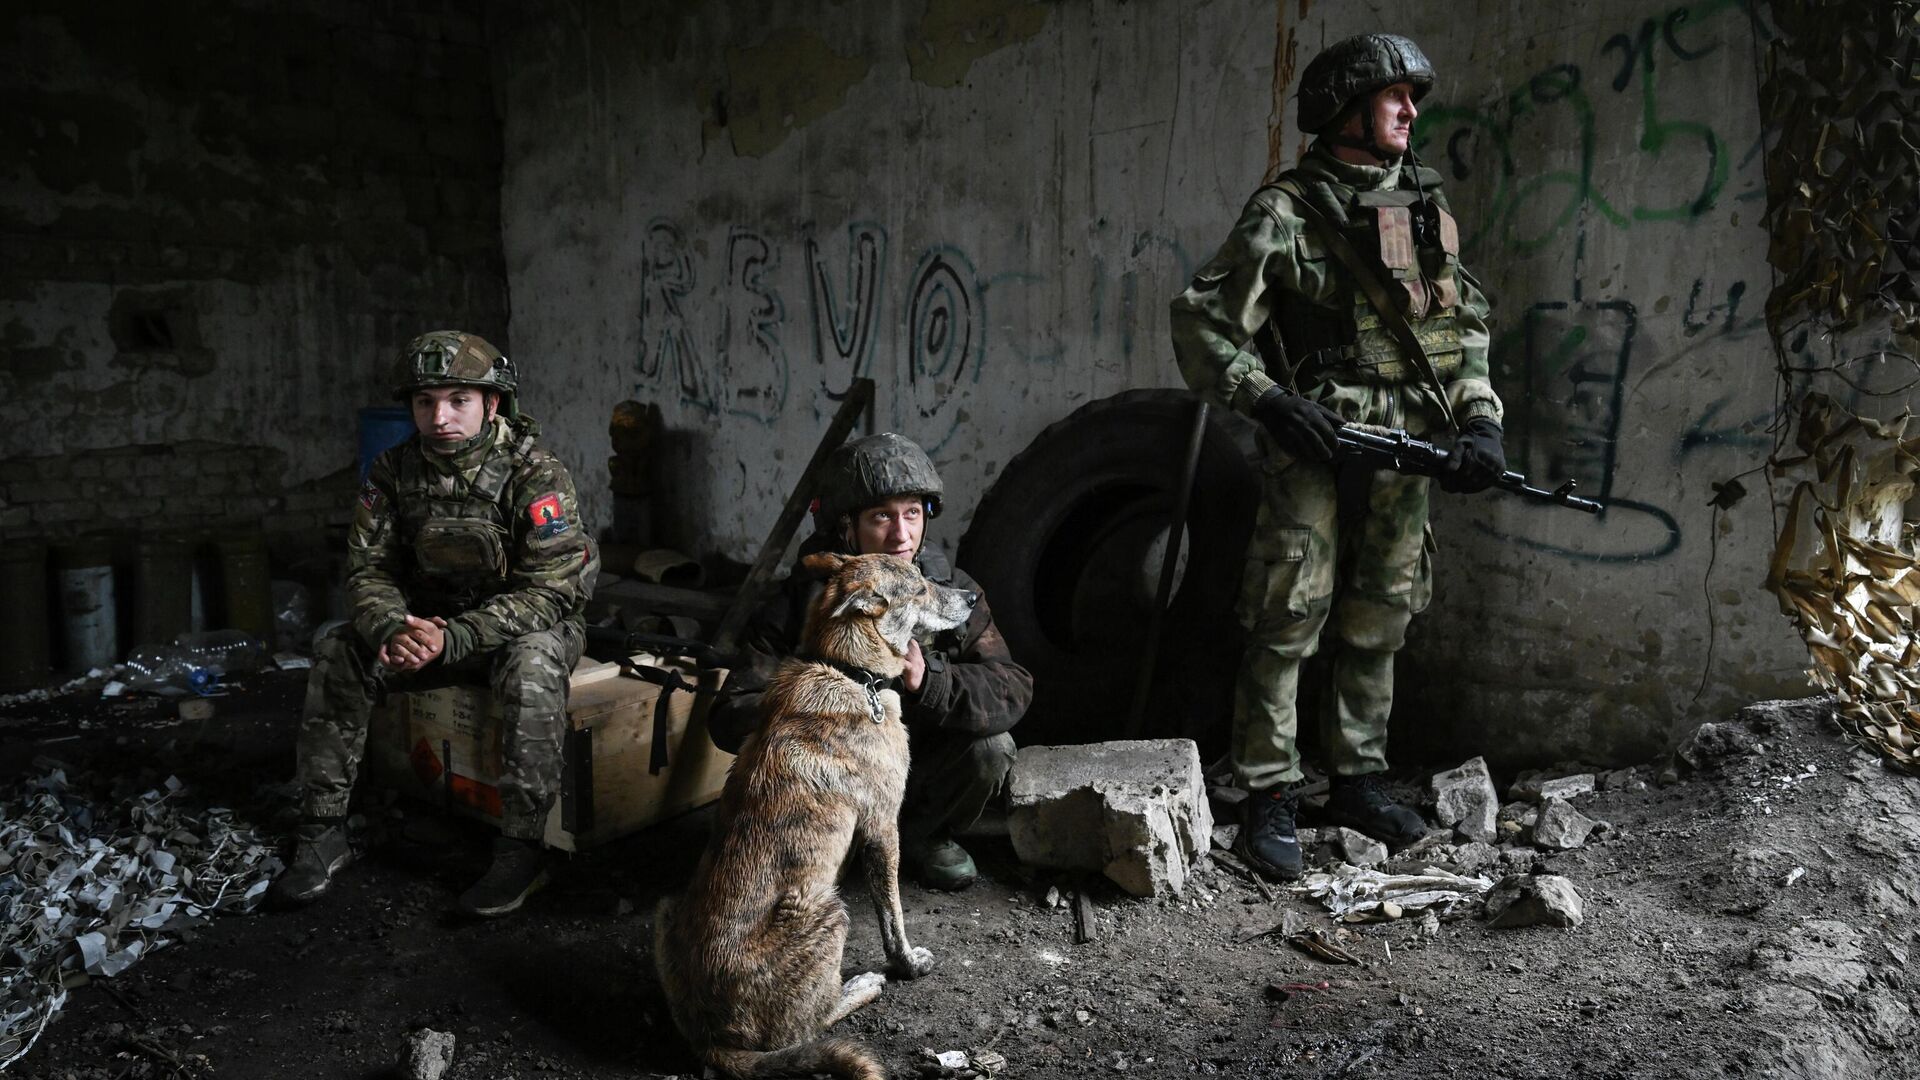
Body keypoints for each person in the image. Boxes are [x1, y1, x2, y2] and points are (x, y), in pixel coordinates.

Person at [1167, 33, 1506, 882]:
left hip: (1409, 443)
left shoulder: (1422, 207)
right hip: (1315, 439)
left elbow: (1461, 328)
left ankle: (1357, 780)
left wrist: (1479, 422)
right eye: (1394, 95)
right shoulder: (1285, 212)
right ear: (1345, 108)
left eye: (1412, 96)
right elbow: (1202, 321)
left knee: (1383, 612)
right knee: (1288, 613)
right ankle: (1269, 792)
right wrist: (1269, 402)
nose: (1410, 110)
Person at [269, 331, 599, 916]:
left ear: (491, 404)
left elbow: (551, 590)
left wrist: (456, 637)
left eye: (458, 400)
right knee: (338, 646)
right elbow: (368, 569)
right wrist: (392, 629)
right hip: (425, 630)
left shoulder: (535, 473)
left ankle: (520, 847)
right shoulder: (393, 471)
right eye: (425, 402)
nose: (440, 417)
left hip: (513, 630)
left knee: (534, 662)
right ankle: (322, 829)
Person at [706, 433, 1032, 891]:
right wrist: (820, 703)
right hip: (829, 788)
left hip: (914, 777)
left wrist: (929, 681)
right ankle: (833, 851)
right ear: (846, 527)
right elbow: (729, 713)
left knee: (991, 749)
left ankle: (922, 837)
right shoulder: (804, 602)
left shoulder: (949, 592)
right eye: (882, 516)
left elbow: (1012, 686)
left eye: (912, 513)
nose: (901, 534)